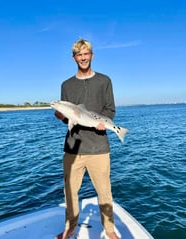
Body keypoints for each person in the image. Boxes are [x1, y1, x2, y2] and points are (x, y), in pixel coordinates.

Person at [54, 39, 120, 239]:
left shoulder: (104, 80)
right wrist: (62, 115)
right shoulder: (66, 85)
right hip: (73, 148)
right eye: (79, 55)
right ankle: (70, 227)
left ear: (92, 55)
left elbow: (110, 109)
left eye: (86, 53)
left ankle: (109, 230)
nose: (83, 58)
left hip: (99, 147)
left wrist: (104, 123)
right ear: (74, 58)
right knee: (70, 192)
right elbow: (68, 117)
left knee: (104, 192)